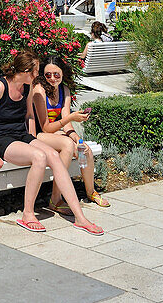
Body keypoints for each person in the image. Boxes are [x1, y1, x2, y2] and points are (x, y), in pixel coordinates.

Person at [0, 51, 103, 235]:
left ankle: (80, 218)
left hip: (21, 135)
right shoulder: (0, 86)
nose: (38, 75)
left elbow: (29, 115)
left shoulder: (28, 87)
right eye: (36, 71)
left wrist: (33, 139)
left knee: (52, 155)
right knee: (39, 157)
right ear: (26, 71)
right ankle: (28, 214)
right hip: (2, 139)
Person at [32, 54, 110, 210]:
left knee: (84, 150)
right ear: (42, 75)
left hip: (57, 134)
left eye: (56, 74)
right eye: (48, 75)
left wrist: (77, 138)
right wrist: (71, 118)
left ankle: (91, 192)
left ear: (62, 74)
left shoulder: (64, 90)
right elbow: (45, 127)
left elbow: (67, 124)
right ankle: (56, 197)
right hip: (40, 135)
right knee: (68, 145)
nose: (52, 78)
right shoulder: (39, 91)